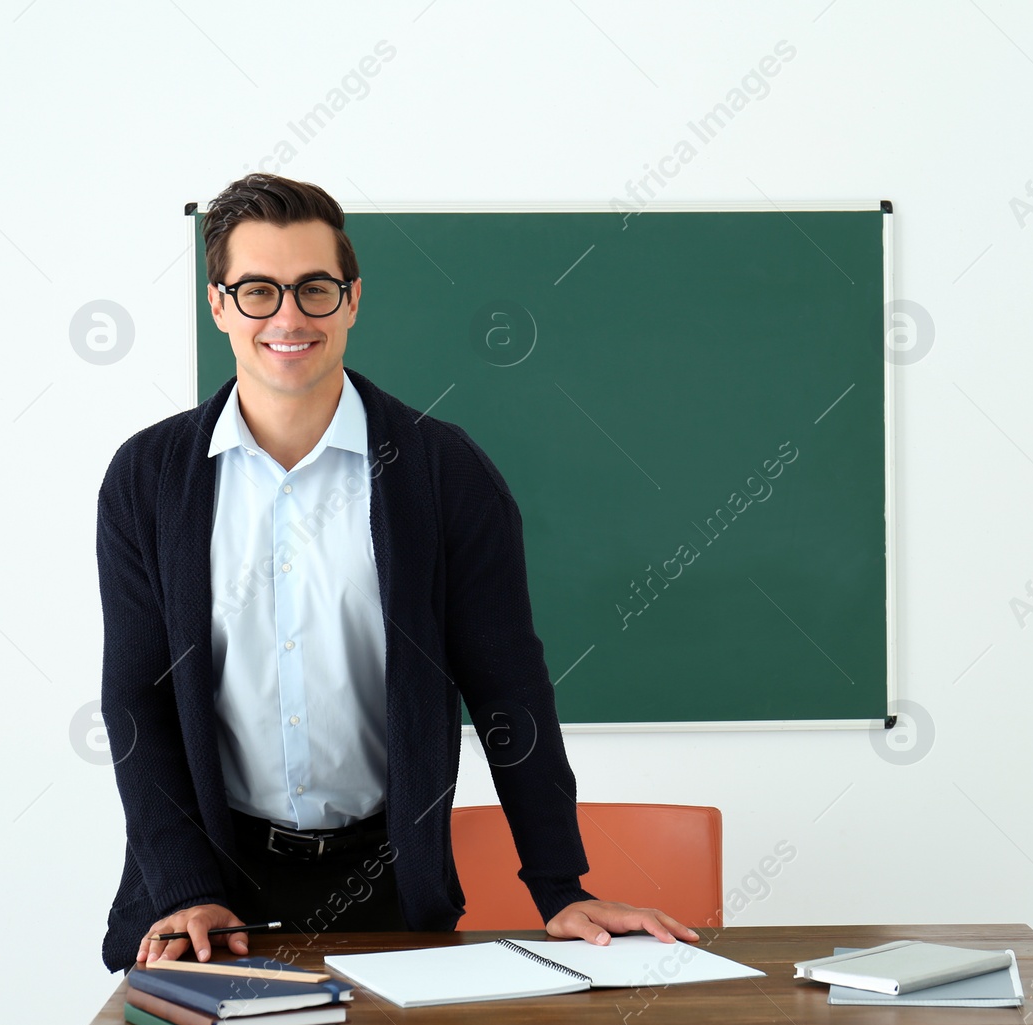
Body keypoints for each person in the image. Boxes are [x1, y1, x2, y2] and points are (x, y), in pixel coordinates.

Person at [95, 173, 697, 973]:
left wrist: (558, 885)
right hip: (209, 892)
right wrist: (179, 885)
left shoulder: (442, 470)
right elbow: (137, 697)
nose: (288, 317)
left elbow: (509, 689)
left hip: (389, 886)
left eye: (315, 288)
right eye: (258, 291)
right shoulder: (148, 476)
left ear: (350, 299)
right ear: (219, 305)